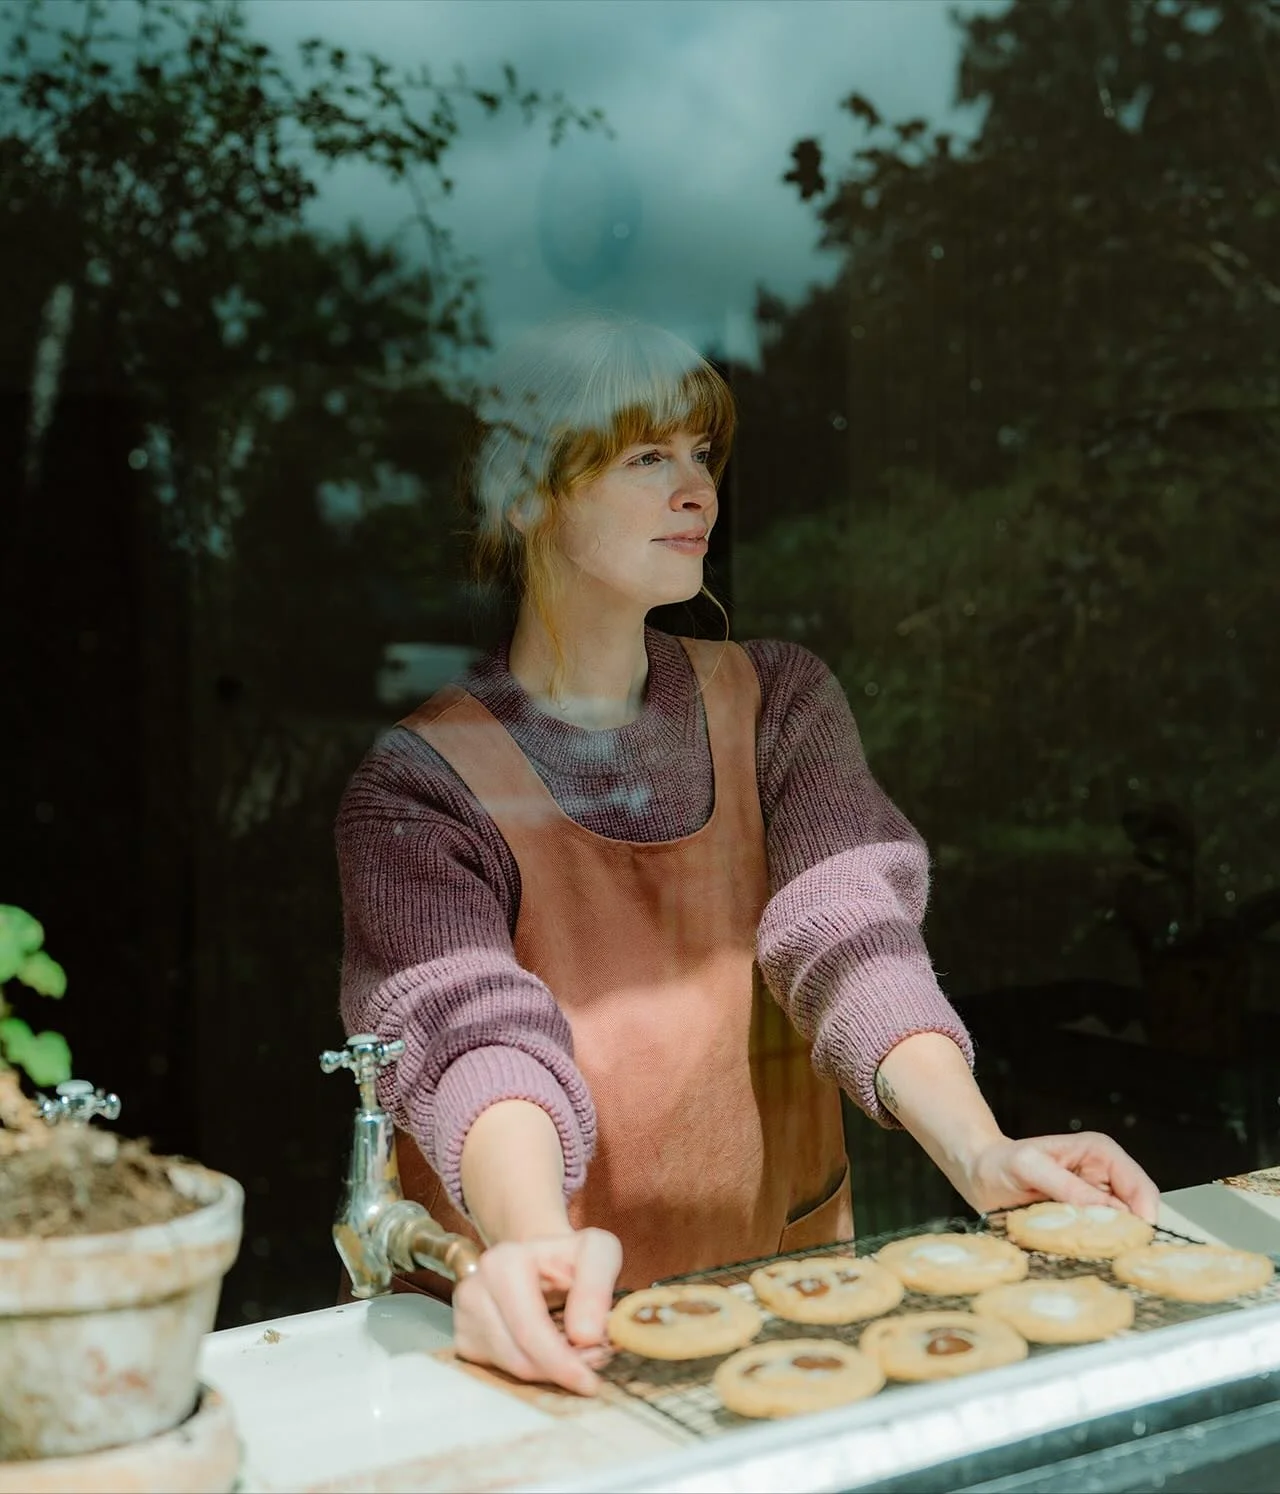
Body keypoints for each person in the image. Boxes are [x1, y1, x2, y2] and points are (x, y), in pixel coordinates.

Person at [336, 315, 1159, 1397]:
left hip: (781, 1296)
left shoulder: (778, 702)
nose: (698, 492)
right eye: (646, 458)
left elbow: (846, 933)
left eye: (701, 455)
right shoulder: (418, 783)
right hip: (542, 1328)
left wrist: (980, 1152)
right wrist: (532, 1245)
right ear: (524, 495)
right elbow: (468, 1029)